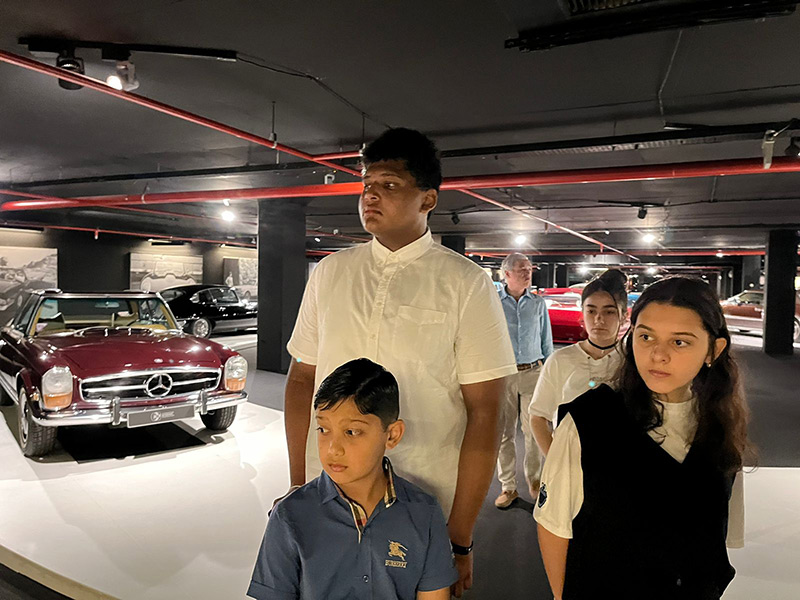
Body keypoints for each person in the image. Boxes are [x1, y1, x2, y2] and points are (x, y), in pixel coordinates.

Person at [283, 127, 517, 597]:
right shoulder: (331, 273)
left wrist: (461, 536)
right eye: (366, 185)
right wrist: (297, 488)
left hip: (424, 498)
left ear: (427, 199)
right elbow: (303, 379)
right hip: (329, 490)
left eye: (388, 185)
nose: (370, 195)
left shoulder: (464, 282)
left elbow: (486, 412)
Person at [534, 276, 749, 600]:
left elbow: (718, 531)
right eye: (646, 336)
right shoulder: (588, 421)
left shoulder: (720, 426)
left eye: (679, 342)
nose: (658, 354)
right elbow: (553, 526)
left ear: (713, 350)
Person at [248, 359, 457, 600]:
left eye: (352, 432)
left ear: (392, 435)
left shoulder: (424, 513)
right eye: (323, 429)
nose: (333, 449)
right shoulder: (290, 516)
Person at [529, 269, 627, 457]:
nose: (599, 319)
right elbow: (538, 416)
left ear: (623, 316)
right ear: (582, 313)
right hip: (570, 462)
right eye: (591, 311)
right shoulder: (561, 360)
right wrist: (555, 461)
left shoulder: (632, 361)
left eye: (609, 311)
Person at [494, 253, 553, 508]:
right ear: (507, 274)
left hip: (533, 373)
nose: (528, 273)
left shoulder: (538, 304)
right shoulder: (494, 303)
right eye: (521, 269)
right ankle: (508, 487)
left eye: (529, 269)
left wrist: (550, 373)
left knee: (535, 431)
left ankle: (535, 481)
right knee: (505, 433)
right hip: (504, 374)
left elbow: (546, 340)